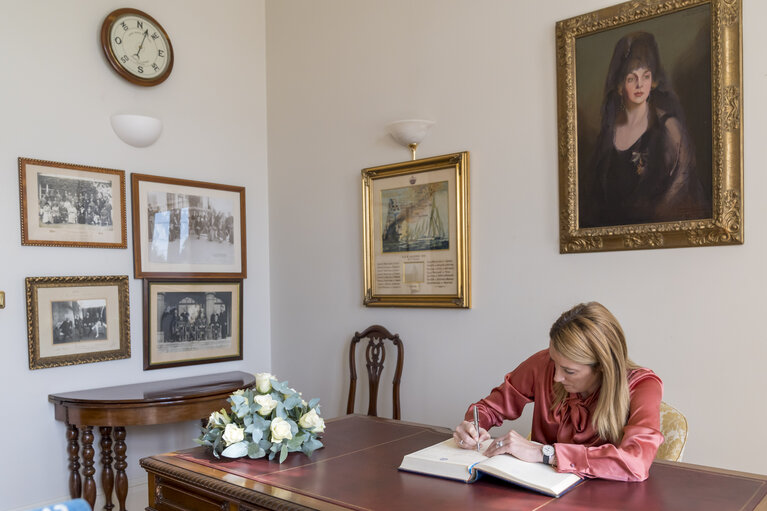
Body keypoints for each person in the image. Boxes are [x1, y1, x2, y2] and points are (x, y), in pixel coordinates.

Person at [453, 302, 663, 482]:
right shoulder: (543, 364)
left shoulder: (643, 386)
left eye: (569, 371)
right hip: (538, 488)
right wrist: (472, 425)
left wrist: (543, 453)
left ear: (601, 367)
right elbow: (489, 408)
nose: (556, 378)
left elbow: (636, 463)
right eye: (555, 363)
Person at [580, 31, 709, 228]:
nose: (640, 84)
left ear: (653, 80)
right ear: (620, 85)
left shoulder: (668, 127)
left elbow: (681, 185)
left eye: (645, 76)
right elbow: (596, 198)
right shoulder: (609, 132)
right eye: (632, 78)